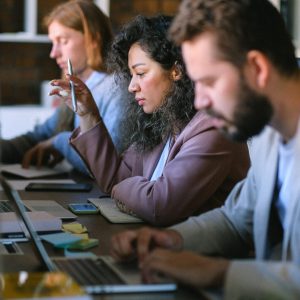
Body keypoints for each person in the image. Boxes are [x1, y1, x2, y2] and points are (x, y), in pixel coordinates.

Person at [109, 0, 300, 298]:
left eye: (208, 82)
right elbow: (236, 219)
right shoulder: (268, 133)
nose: (199, 102)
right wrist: (169, 240)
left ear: (258, 68)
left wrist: (219, 272)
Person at [50, 14, 249, 226]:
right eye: (131, 75)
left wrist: (121, 189)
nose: (131, 86)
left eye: (141, 73)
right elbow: (114, 177)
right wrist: (87, 114)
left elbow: (159, 205)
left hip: (201, 254)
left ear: (176, 70)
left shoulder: (214, 127)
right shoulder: (164, 122)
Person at [0, 0, 124, 175]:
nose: (53, 53)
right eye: (53, 42)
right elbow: (38, 137)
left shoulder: (117, 89)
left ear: (93, 39)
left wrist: (59, 142)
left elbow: (109, 165)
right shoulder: (81, 88)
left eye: (63, 41)